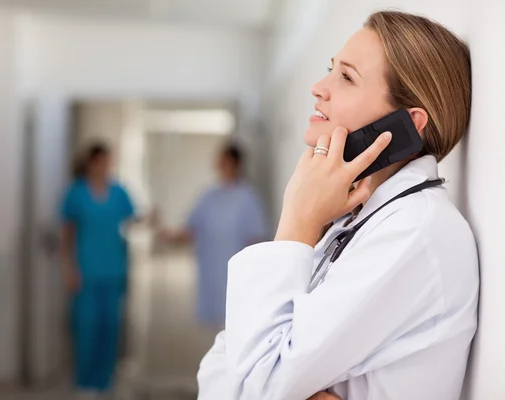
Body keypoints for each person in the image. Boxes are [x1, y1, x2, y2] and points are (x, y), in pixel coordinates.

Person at [197, 11, 478, 400]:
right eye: (331, 69)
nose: (318, 87)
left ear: (407, 125)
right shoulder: (358, 219)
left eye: (346, 77)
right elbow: (221, 361)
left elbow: (252, 386)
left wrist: (297, 218)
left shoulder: (415, 232)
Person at [159, 143, 268, 328]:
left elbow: (257, 240)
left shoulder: (248, 198)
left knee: (237, 327)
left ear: (235, 164)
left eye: (224, 161)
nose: (219, 165)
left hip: (238, 279)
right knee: (215, 339)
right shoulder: (208, 196)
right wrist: (166, 234)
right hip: (211, 277)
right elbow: (190, 230)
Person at [60, 143, 136, 399]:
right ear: (91, 163)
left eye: (108, 162)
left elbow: (132, 220)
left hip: (113, 272)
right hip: (86, 274)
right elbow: (67, 234)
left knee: (110, 328)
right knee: (87, 329)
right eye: (101, 161)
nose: (105, 167)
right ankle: (86, 383)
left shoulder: (119, 192)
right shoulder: (76, 193)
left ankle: (105, 381)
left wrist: (152, 220)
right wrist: (69, 268)